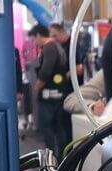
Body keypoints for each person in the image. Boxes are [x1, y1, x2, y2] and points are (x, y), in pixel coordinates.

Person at [31, 24, 73, 156]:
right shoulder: (58, 46)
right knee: (59, 129)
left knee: (49, 129)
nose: (35, 42)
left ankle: (52, 159)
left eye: (34, 39)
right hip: (59, 94)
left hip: (49, 97)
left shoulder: (49, 47)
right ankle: (61, 159)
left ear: (38, 35)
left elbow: (46, 71)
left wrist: (38, 86)